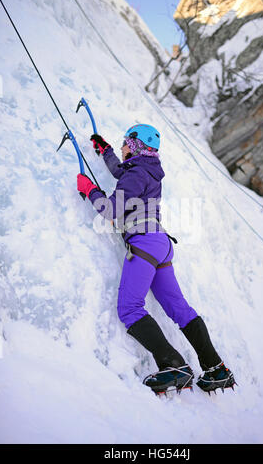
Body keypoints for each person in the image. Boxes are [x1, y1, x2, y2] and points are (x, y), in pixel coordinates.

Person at [77, 124, 235, 394]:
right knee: (179, 309)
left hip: (144, 243)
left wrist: (90, 190)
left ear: (136, 146)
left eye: (126, 142)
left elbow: (110, 210)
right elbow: (121, 171)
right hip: (160, 243)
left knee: (129, 309)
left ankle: (174, 366)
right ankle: (216, 368)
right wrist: (106, 152)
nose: (123, 145)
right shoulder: (145, 169)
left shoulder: (136, 173)